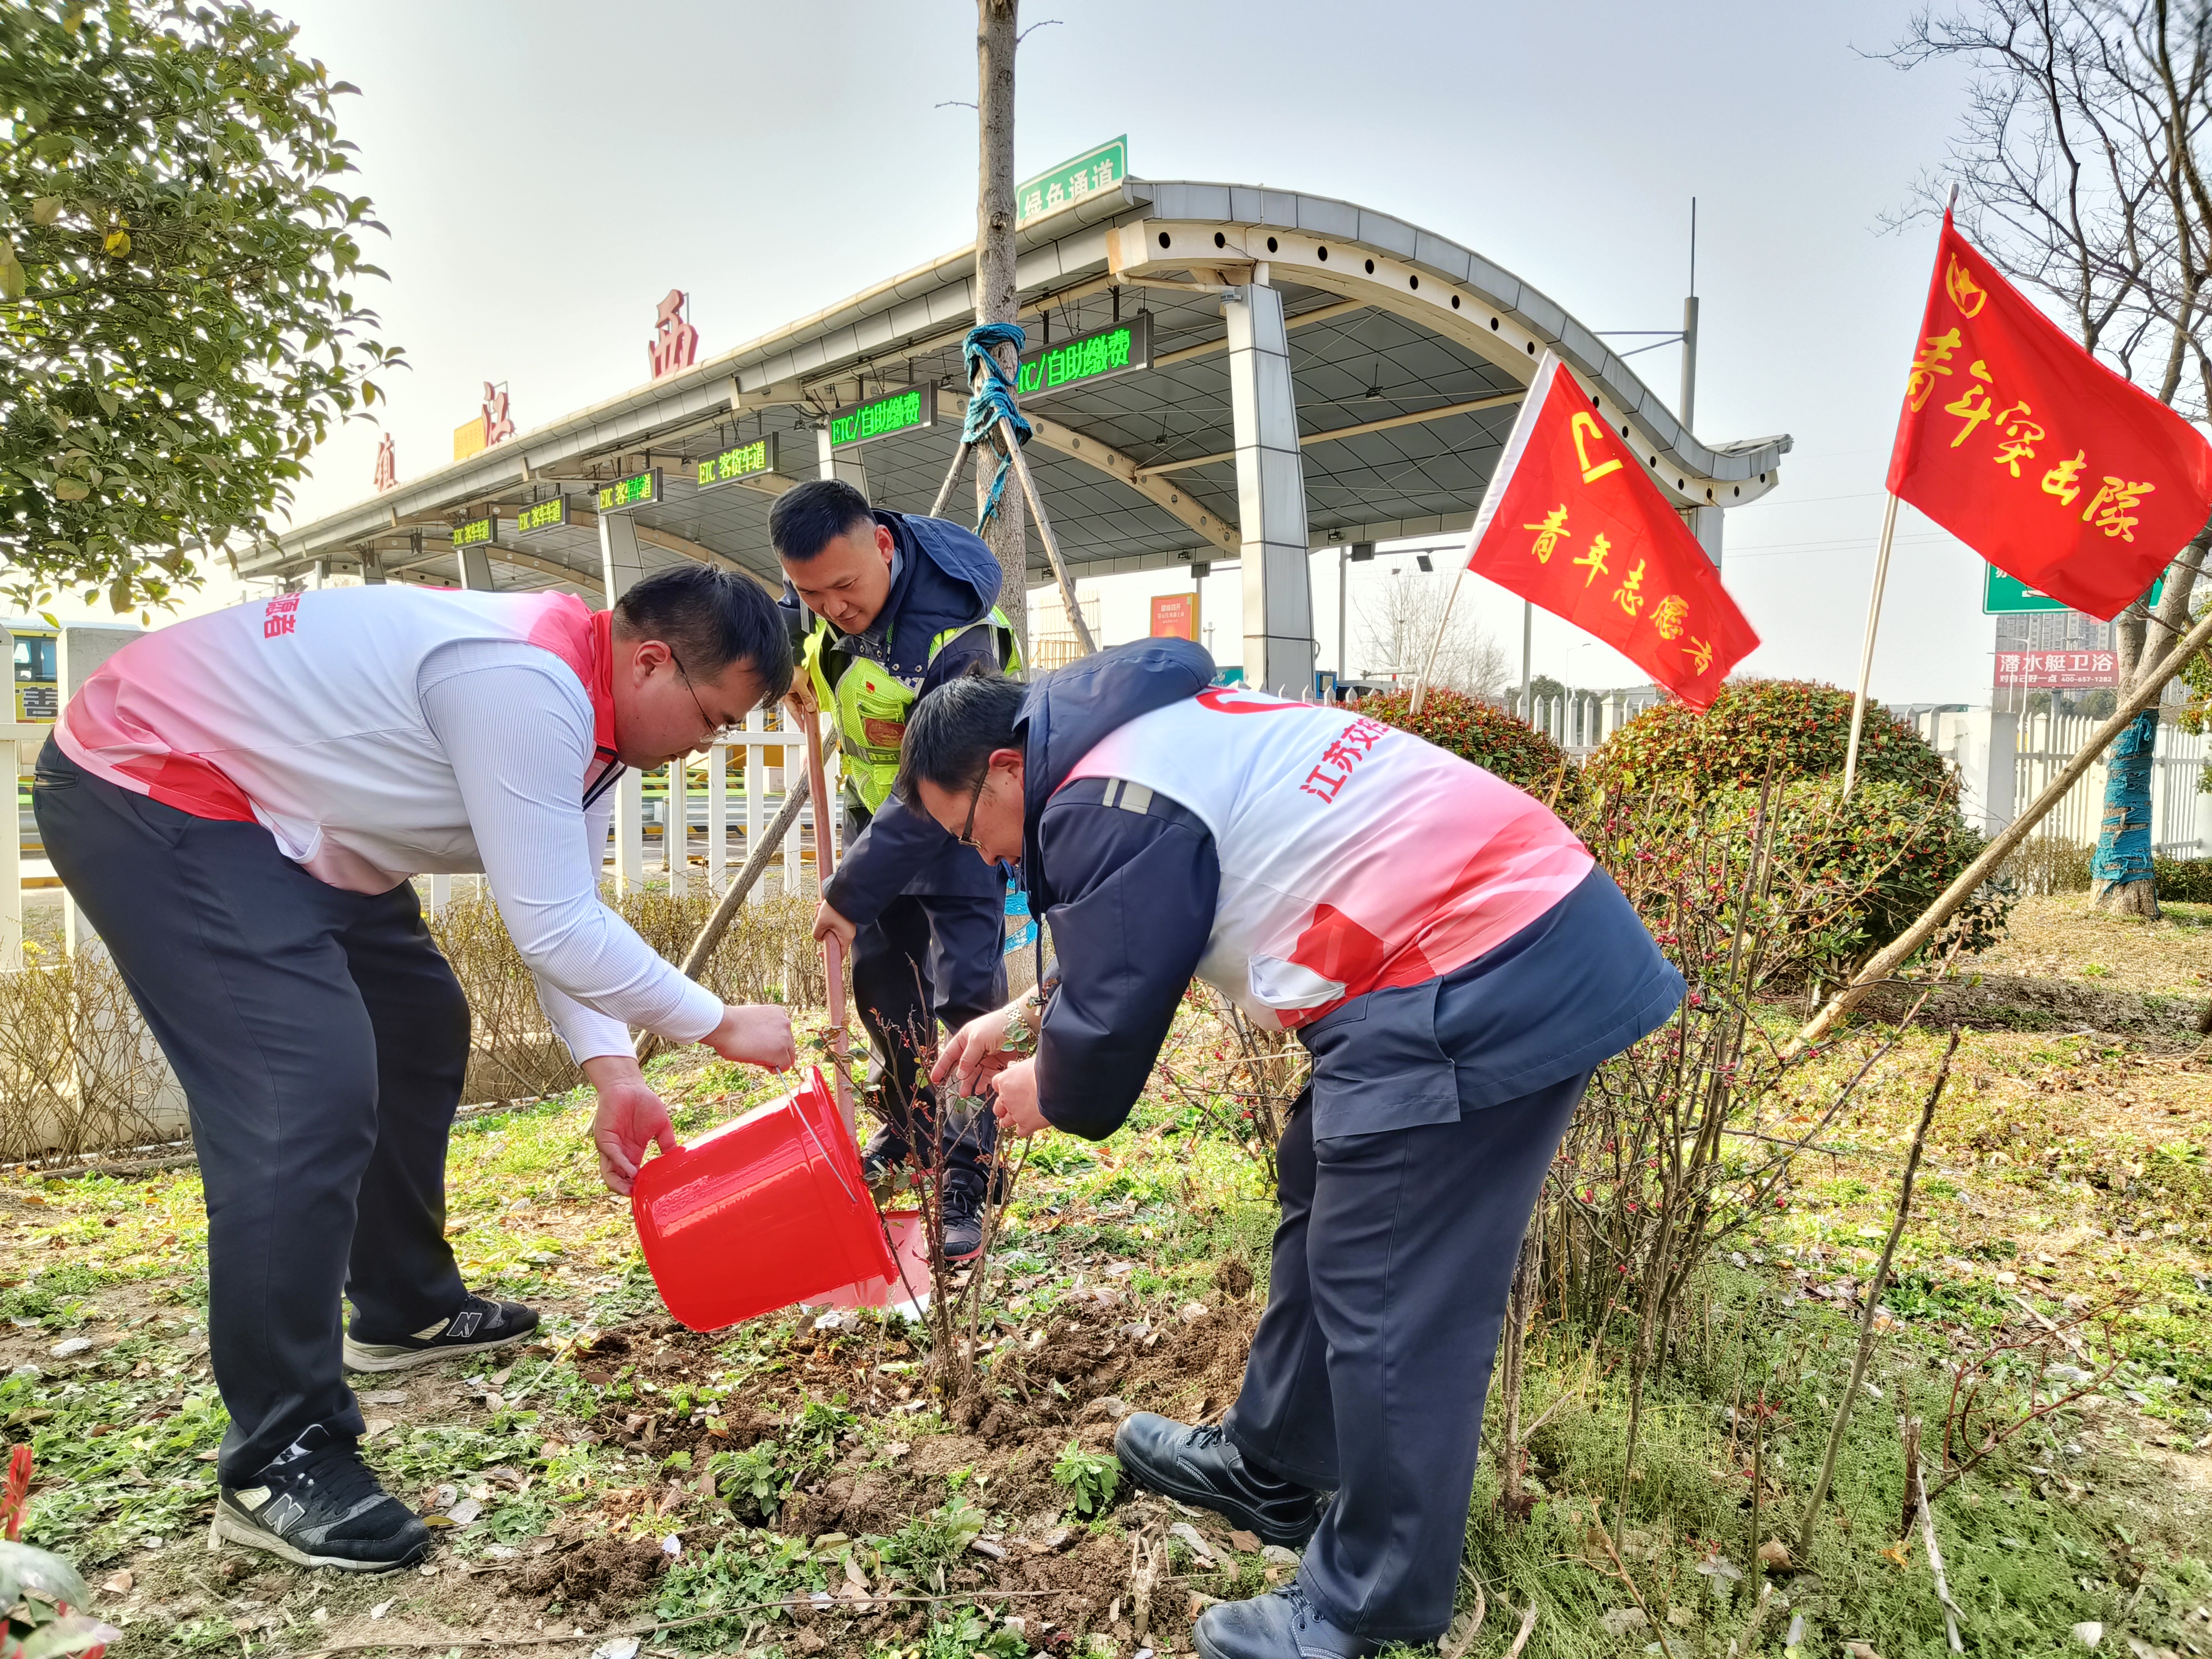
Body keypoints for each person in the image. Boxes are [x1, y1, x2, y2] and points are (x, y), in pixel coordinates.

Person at [902, 643, 1684, 1659]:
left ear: (1005, 769)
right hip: (1475, 945)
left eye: (971, 832)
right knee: (1324, 1175)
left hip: (1478, 967)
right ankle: (1272, 1464)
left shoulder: (1105, 797)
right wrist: (1023, 1015)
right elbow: (1147, 934)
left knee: (1389, 1286)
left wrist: (1044, 1085)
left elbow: (1102, 1047)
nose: (986, 859)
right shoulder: (1139, 747)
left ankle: (1367, 1597)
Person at [34, 567, 800, 1574]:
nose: (708, 744)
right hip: (156, 783)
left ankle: (400, 1306)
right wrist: (716, 1024)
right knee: (299, 1092)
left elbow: (558, 909)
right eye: (713, 718)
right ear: (651, 661)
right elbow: (560, 925)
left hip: (292, 821)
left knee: (417, 1022)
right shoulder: (523, 681)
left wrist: (614, 1071)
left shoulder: (592, 727)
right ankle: (279, 1455)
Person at [769, 477, 1020, 1260]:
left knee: (964, 997)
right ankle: (914, 1135)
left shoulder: (960, 632)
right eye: (814, 595)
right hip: (870, 811)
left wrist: (848, 892)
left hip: (955, 824)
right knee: (881, 988)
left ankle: (971, 1164)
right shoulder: (818, 593)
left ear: (883, 545)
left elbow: (931, 791)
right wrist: (789, 664)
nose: (834, 608)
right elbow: (788, 626)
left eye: (846, 587)